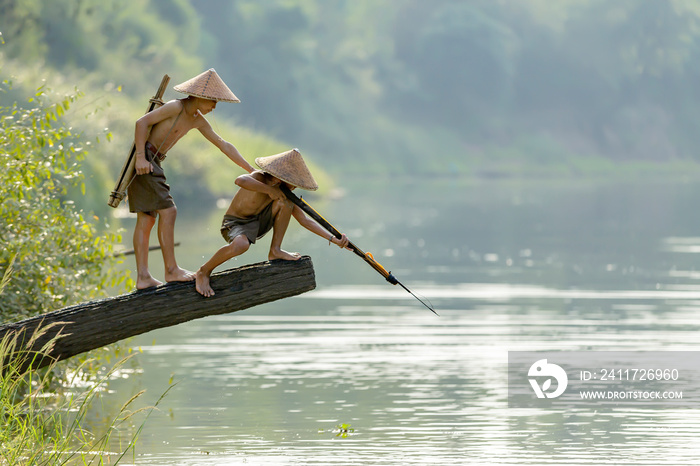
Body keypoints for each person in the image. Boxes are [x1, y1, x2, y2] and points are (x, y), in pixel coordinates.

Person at [128, 69, 255, 290]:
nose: (214, 105)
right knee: (169, 211)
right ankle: (171, 270)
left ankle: (143, 277)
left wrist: (250, 169)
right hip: (146, 159)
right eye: (212, 100)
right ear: (199, 96)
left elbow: (223, 144)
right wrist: (140, 157)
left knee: (147, 219)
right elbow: (142, 123)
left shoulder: (197, 119)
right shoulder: (175, 107)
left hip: (155, 161)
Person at [195, 148, 349, 298]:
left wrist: (334, 239)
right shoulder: (259, 178)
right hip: (235, 224)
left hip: (259, 224)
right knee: (241, 245)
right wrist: (268, 190)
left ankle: (275, 250)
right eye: (292, 182)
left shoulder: (285, 194)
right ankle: (204, 271)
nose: (294, 187)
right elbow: (240, 180)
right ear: (279, 177)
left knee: (286, 203)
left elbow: (305, 221)